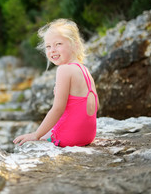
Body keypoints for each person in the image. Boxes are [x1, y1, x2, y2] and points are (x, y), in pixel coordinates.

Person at [13, 18, 98, 147]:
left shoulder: (64, 70)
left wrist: (36, 135)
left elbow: (58, 108)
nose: (52, 50)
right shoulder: (84, 70)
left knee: (38, 139)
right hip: (88, 135)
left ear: (75, 45)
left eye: (58, 44)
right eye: (48, 46)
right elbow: (92, 105)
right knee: (49, 131)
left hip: (72, 137)